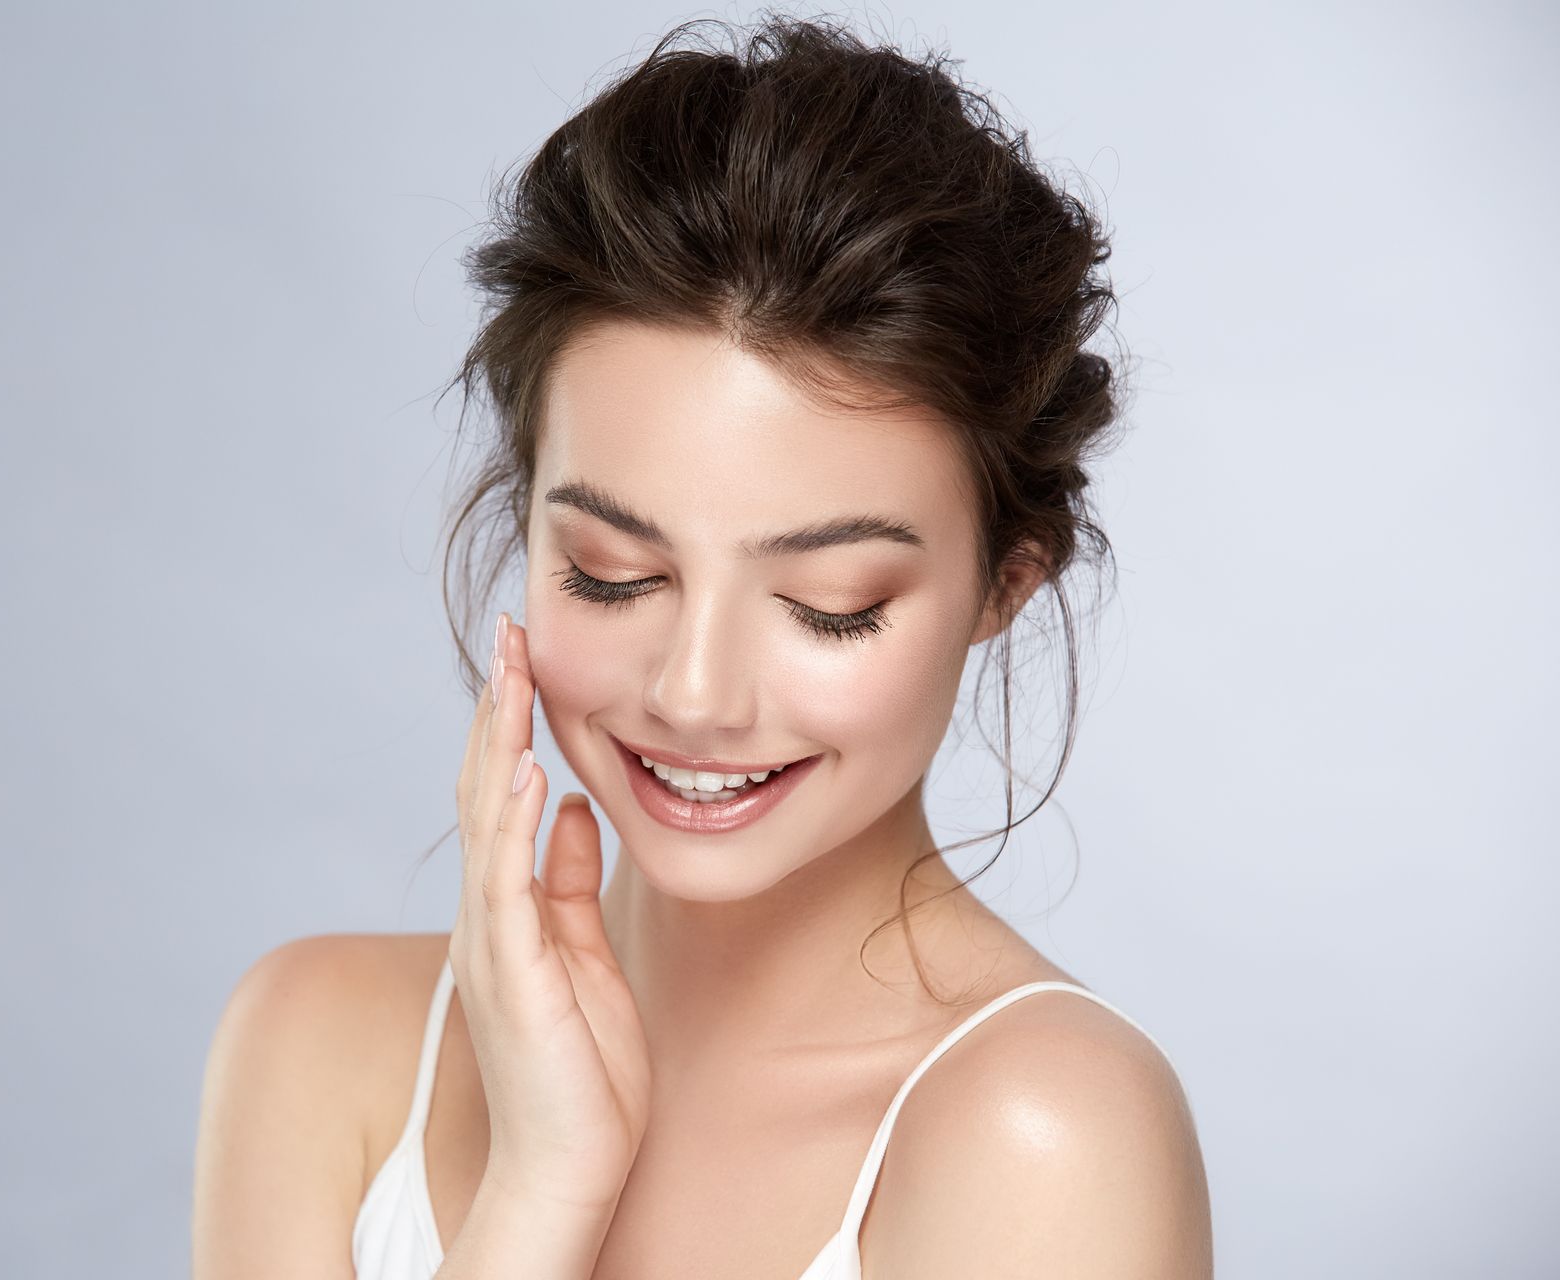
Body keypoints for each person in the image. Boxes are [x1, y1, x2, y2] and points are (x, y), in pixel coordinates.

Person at [192, 14, 1214, 1278]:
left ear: (1003, 584)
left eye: (831, 602)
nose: (694, 693)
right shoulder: (318, 1038)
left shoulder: (1044, 1132)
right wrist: (543, 1183)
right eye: (612, 575)